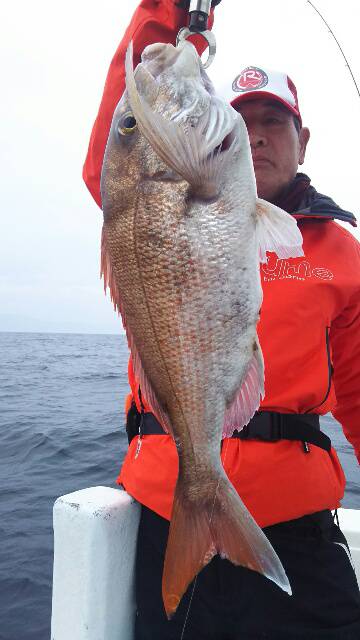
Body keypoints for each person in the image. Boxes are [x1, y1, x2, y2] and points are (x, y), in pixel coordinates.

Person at [83, 1, 360, 638]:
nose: (257, 134)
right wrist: (166, 17)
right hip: (168, 504)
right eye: (243, 119)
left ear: (303, 139)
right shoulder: (148, 192)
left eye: (275, 121)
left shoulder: (341, 254)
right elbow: (119, 142)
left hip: (301, 533)